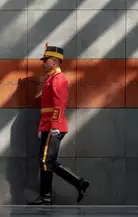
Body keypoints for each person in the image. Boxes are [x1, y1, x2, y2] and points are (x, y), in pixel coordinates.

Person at [28, 43, 90, 206]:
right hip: (48, 126)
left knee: (44, 160)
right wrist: (42, 127)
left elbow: (59, 104)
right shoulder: (51, 79)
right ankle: (79, 183)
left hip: (54, 127)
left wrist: (54, 125)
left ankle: (46, 197)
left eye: (45, 60)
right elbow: (46, 108)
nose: (43, 62)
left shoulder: (58, 79)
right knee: (49, 161)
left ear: (54, 62)